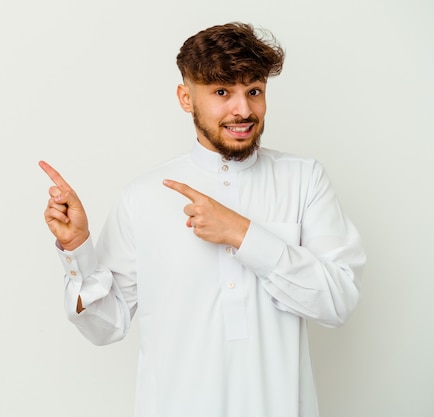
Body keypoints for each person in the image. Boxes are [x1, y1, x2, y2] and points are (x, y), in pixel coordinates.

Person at [39, 22, 365, 417]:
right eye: (222, 92)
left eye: (254, 91)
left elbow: (339, 302)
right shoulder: (143, 196)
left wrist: (243, 235)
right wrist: (78, 249)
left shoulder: (304, 179)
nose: (243, 109)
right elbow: (105, 327)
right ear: (185, 97)